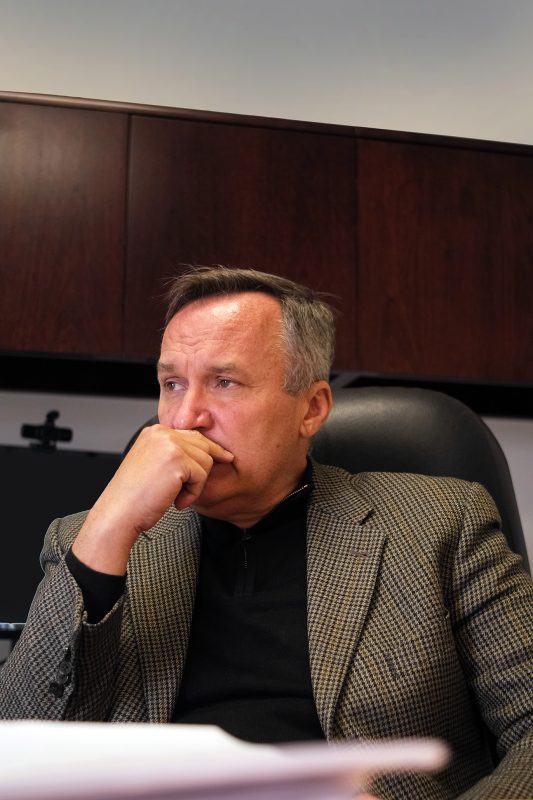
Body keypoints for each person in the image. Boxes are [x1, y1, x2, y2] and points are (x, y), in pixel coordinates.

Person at [0, 266, 532, 800]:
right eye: (171, 384)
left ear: (312, 408)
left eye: (225, 383)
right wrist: (107, 530)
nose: (184, 418)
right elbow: (18, 747)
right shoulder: (91, 542)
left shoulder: (438, 523)